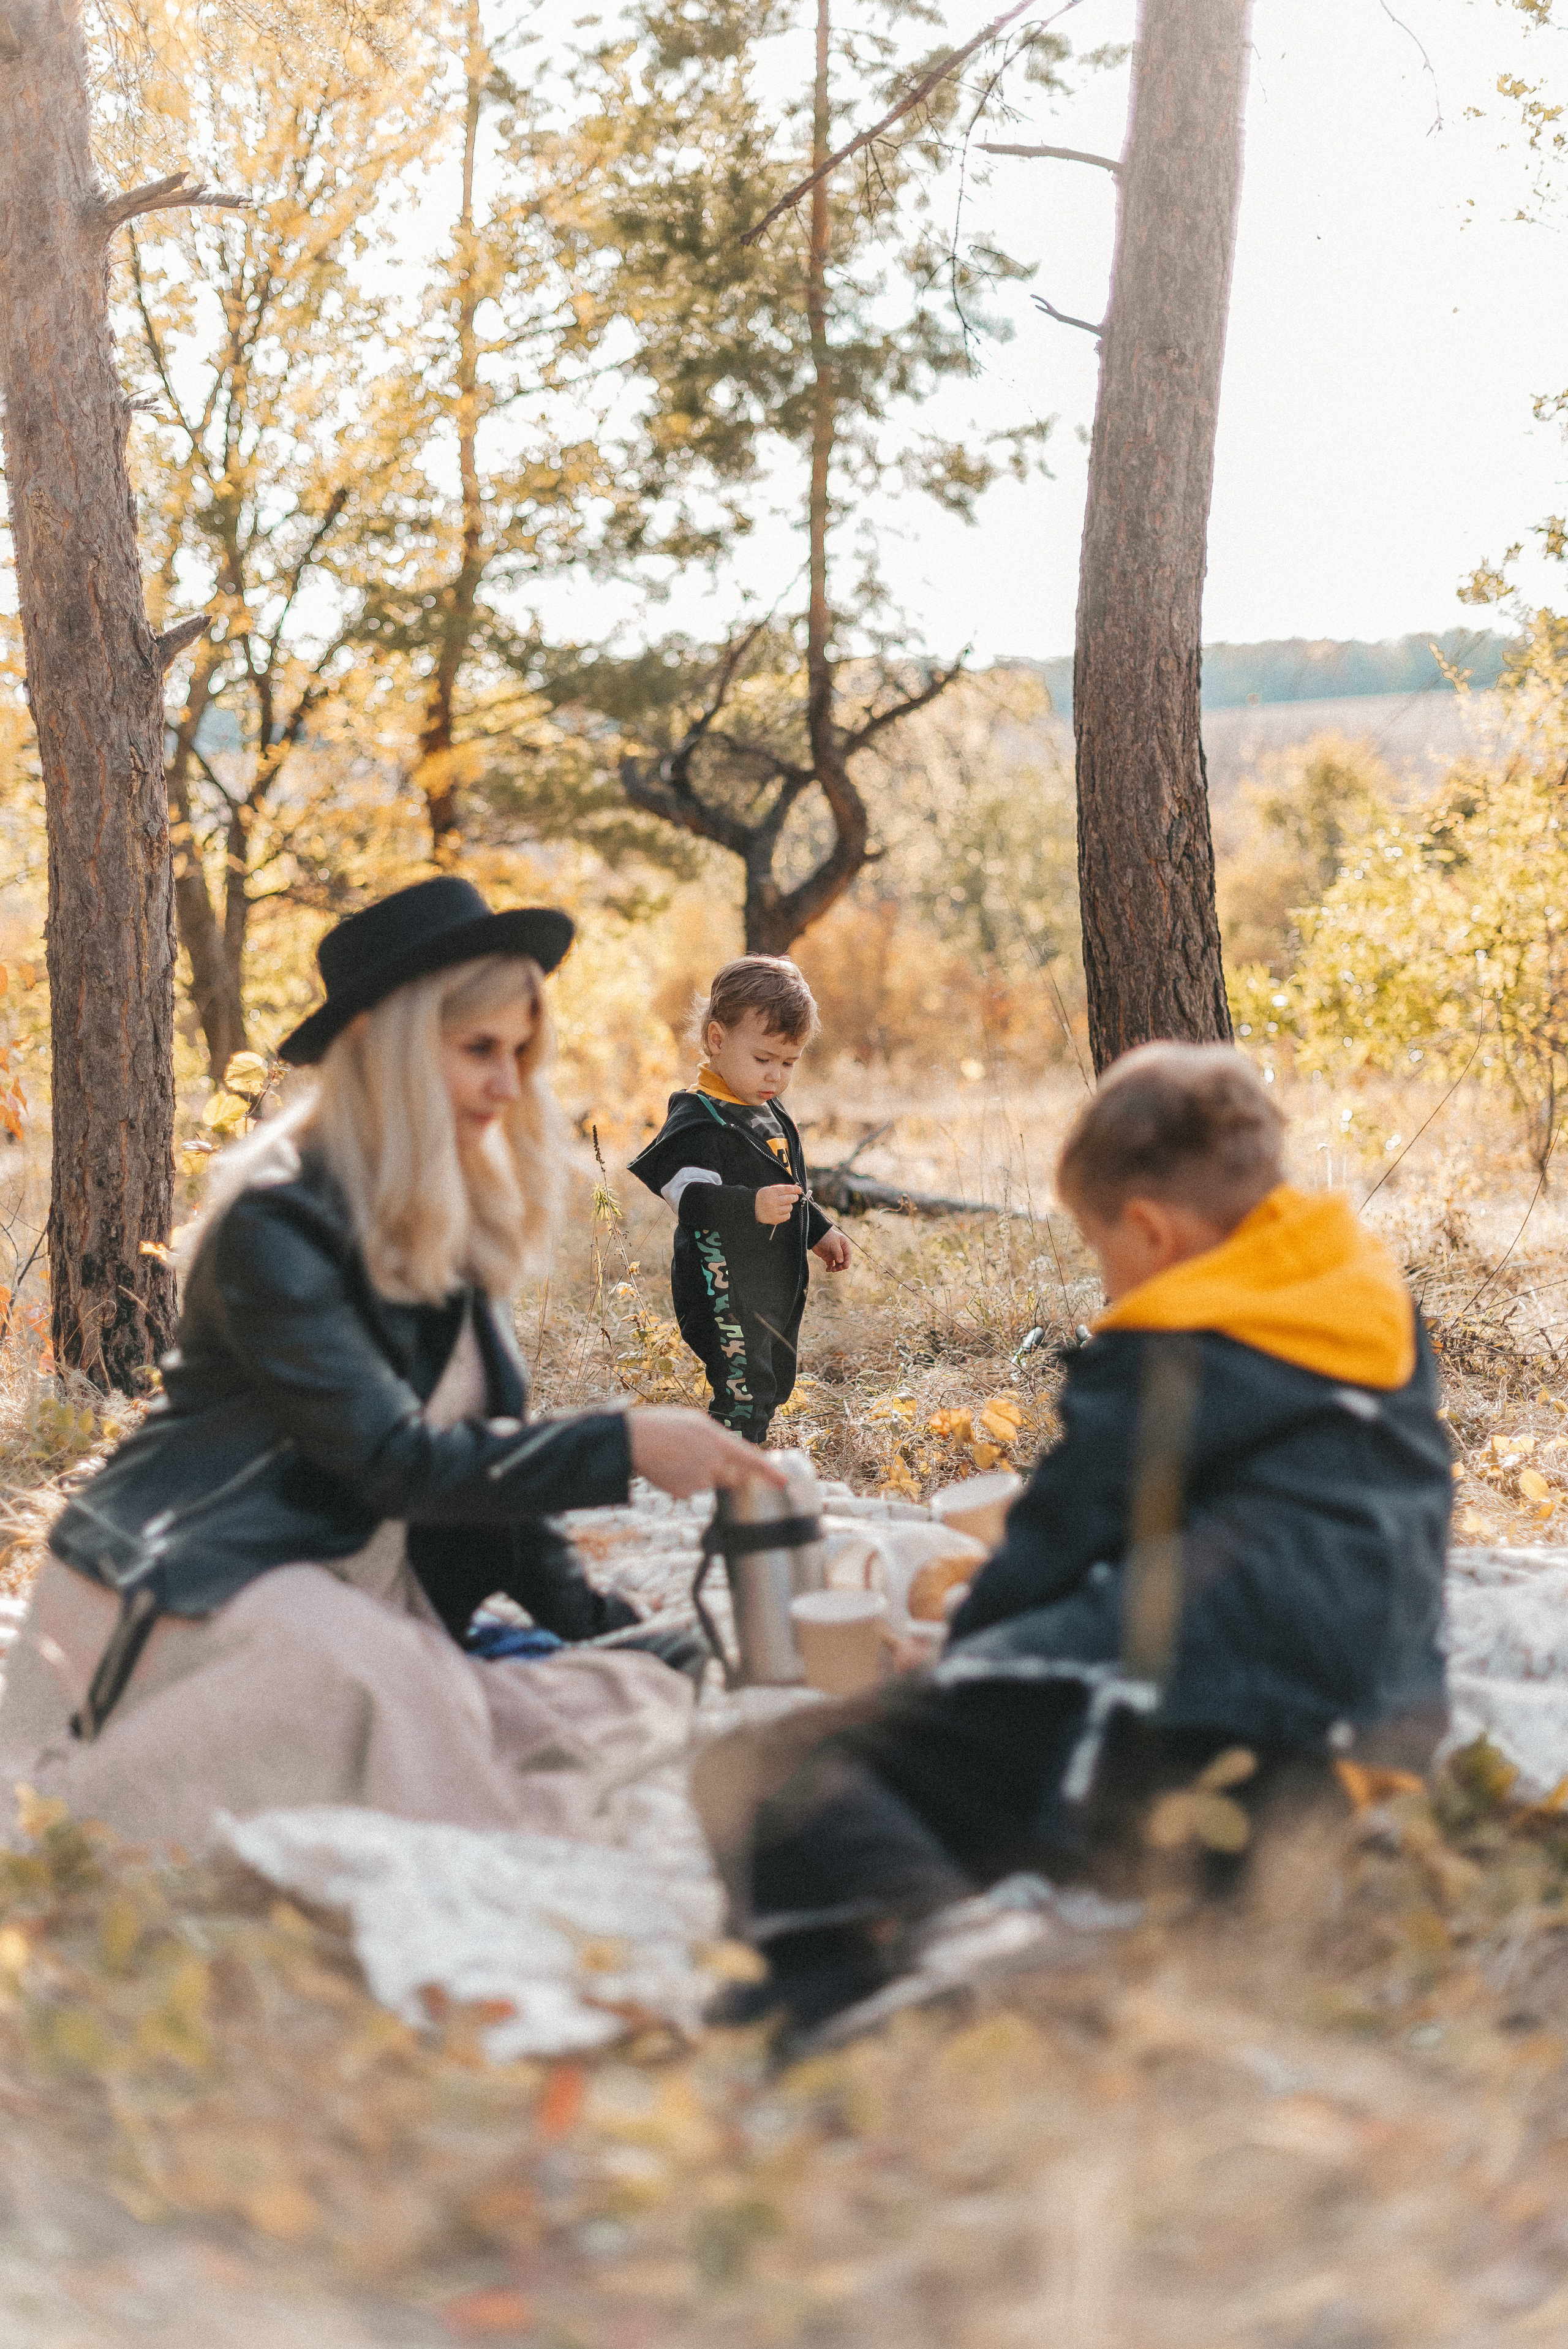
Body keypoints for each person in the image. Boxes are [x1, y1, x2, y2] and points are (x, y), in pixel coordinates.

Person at [0, 877, 778, 1853]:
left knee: (558, 1689)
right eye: (479, 1050)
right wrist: (621, 1439)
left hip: (341, 1581)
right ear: (392, 1046)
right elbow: (395, 1463)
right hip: (197, 1582)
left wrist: (601, 1625)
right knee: (359, 1671)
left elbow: (483, 1475)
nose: (509, 1084)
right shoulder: (275, 1223)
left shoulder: (441, 1213)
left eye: (521, 1054)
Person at [702, 1042, 1454, 2040]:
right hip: (1379, 1733)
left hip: (1205, 1746)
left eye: (1101, 1248)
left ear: (1148, 1229)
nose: (1107, 1280)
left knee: (765, 1768)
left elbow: (1044, 1555)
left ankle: (937, 1953)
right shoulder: (1367, 1308)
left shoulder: (1166, 1352)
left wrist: (962, 1650)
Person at [628, 956, 850, 1443]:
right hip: (722, 1287)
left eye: (788, 1062)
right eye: (763, 1059)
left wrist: (820, 1228)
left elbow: (784, 1186)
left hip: (771, 1284)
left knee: (771, 1378)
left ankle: (742, 1456)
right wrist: (749, 1205)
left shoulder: (766, 1110)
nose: (775, 1076)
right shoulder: (699, 1117)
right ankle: (728, 1464)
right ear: (717, 1040)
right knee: (744, 1387)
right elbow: (688, 1198)